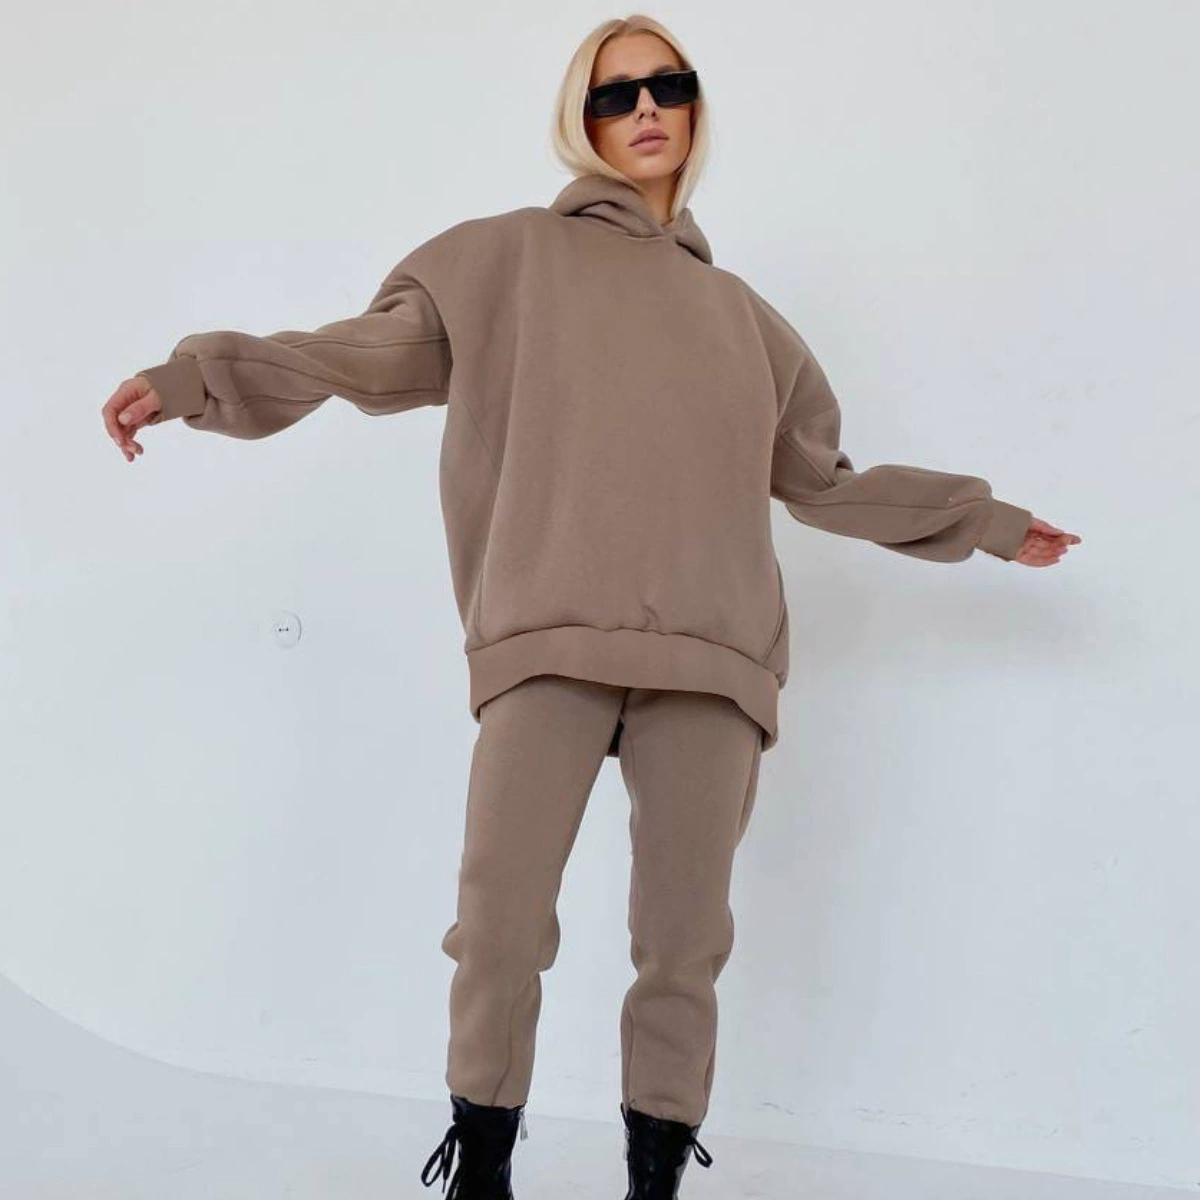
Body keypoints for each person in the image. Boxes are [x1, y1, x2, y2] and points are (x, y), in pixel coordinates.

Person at [101, 13, 1081, 1200]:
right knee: (499, 924)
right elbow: (358, 354)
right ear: (583, 118)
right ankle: (483, 1173)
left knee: (683, 948)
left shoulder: (753, 326)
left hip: (714, 660)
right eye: (617, 94)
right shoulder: (503, 260)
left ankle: (653, 1185)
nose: (646, 109)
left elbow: (826, 484)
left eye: (669, 85)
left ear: (697, 107)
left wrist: (984, 522)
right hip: (548, 639)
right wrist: (194, 380)